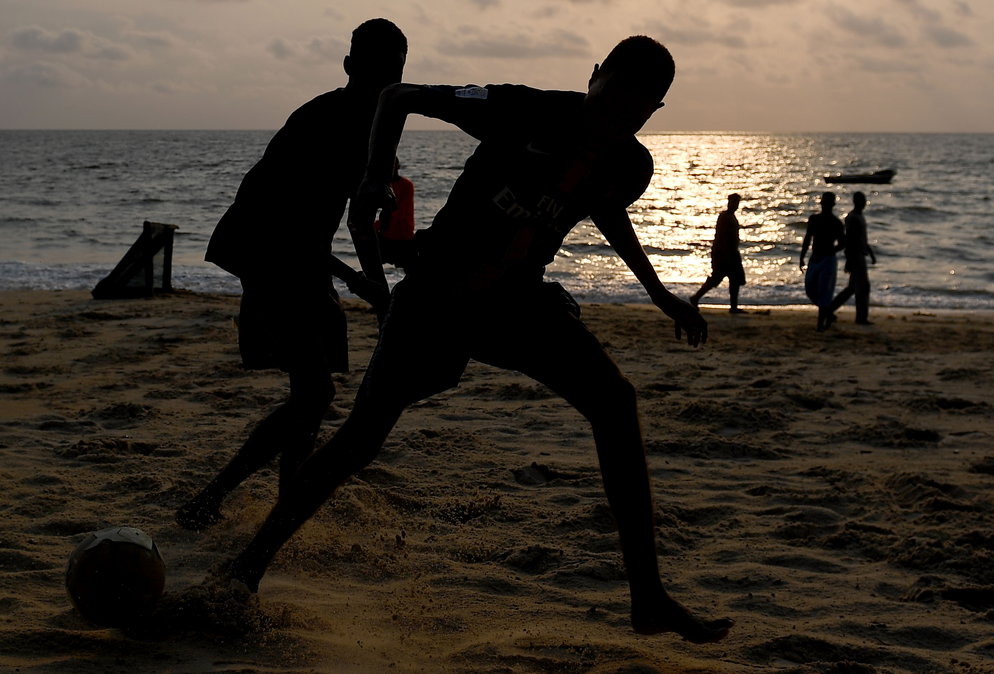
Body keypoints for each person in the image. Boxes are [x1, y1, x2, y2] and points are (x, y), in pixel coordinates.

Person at [218, 36, 732, 644]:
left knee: (614, 403)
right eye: (612, 100)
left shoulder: (627, 164)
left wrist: (657, 292)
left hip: (518, 302)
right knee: (361, 436)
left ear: (653, 114)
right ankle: (246, 567)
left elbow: (603, 207)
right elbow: (397, 95)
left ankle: (648, 598)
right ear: (593, 76)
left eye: (636, 114)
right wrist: (376, 176)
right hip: (436, 294)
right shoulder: (518, 108)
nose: (618, 121)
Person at [175, 19, 407, 530]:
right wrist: (358, 282)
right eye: (377, 72)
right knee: (314, 393)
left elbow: (360, 217)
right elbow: (283, 226)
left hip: (304, 256)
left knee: (312, 391)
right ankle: (212, 497)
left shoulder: (382, 125)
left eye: (393, 73)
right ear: (348, 68)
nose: (384, 84)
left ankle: (286, 502)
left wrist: (379, 287)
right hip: (264, 248)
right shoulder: (321, 120)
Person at [689, 193, 747, 312]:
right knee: (717, 278)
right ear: (729, 203)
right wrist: (725, 255)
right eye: (734, 203)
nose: (736, 205)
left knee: (734, 279)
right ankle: (696, 298)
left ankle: (733, 306)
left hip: (730, 253)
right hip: (724, 253)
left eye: (737, 203)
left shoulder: (730, 216)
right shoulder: (725, 217)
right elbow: (722, 237)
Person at [829, 191, 877, 325]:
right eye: (862, 200)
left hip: (860, 254)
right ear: (856, 202)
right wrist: (849, 259)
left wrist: (871, 253)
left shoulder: (859, 216)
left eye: (864, 200)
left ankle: (830, 309)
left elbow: (863, 238)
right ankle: (861, 318)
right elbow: (850, 240)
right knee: (863, 287)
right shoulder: (853, 218)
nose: (864, 203)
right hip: (855, 255)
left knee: (853, 288)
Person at [799, 192, 844, 331]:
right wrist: (802, 257)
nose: (826, 206)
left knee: (824, 292)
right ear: (821, 204)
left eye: (828, 203)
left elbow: (843, 242)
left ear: (832, 205)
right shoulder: (814, 219)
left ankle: (820, 324)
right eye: (824, 203)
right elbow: (807, 239)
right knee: (810, 289)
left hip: (828, 260)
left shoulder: (836, 223)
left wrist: (831, 251)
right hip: (815, 257)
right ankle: (828, 313)